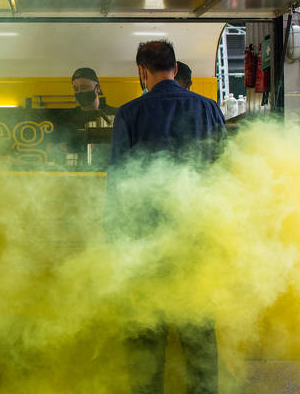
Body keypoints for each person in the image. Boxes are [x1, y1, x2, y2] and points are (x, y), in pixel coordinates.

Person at [106, 40, 226, 394]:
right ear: (175, 69)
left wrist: (116, 245)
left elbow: (119, 184)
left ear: (142, 72)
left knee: (146, 337)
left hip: (146, 246)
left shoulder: (129, 114)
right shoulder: (210, 109)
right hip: (197, 242)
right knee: (199, 337)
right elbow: (226, 177)